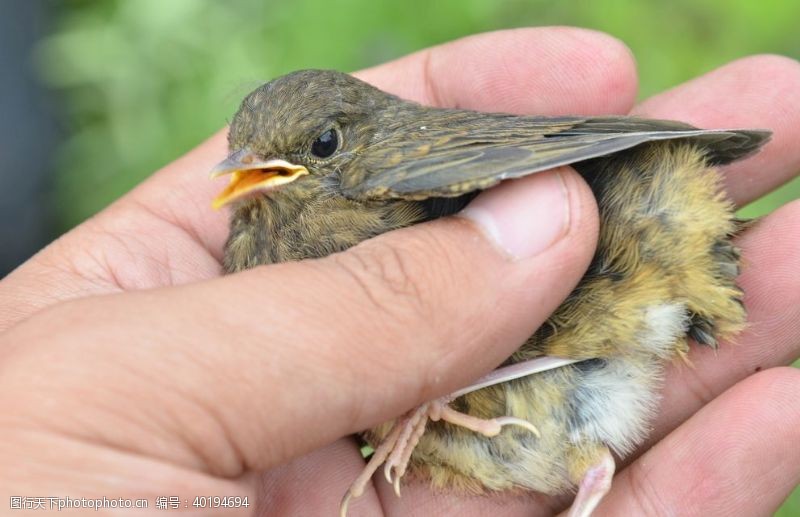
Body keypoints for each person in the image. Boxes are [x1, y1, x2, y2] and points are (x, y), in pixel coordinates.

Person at [1, 27, 799, 515]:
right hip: (597, 353)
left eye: (316, 151)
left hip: (617, 268)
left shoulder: (387, 169)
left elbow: (554, 165)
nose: (252, 172)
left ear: (358, 141)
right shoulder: (253, 244)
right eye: (247, 157)